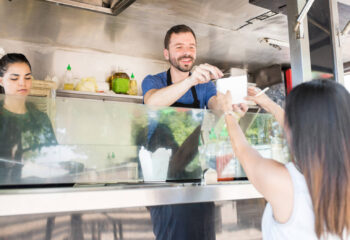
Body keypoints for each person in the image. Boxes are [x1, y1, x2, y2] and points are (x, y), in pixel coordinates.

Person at [218, 79, 350, 239]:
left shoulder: (286, 184)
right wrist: (269, 104)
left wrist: (228, 112)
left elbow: (242, 150)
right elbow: (304, 133)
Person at [142, 24, 223, 240]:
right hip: (164, 183)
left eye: (191, 46)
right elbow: (152, 103)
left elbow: (218, 109)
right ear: (166, 53)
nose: (187, 52)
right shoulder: (154, 81)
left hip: (197, 177)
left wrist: (230, 104)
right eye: (179, 46)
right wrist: (191, 80)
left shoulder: (205, 87)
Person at [0, 53, 57, 185]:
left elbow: (54, 158)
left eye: (27, 78)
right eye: (14, 78)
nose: (22, 83)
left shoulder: (40, 118)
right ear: (1, 81)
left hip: (35, 192)